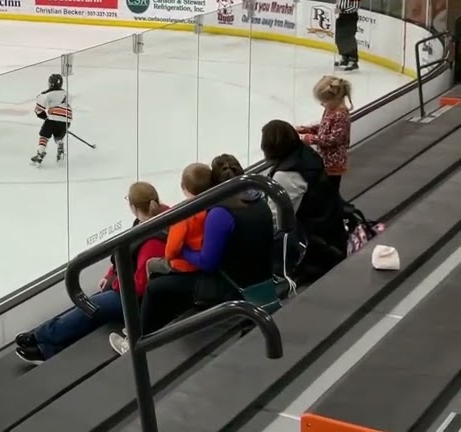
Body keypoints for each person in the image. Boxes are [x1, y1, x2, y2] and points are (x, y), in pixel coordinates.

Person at [111, 157, 275, 355]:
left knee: (156, 287)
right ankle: (146, 329)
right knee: (162, 275)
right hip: (260, 274)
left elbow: (208, 263)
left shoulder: (220, 214)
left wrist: (183, 251)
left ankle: (137, 344)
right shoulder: (259, 200)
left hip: (232, 285)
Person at [14, 182, 170, 364]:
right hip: (124, 290)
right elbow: (126, 253)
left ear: (133, 207)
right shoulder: (151, 219)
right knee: (88, 307)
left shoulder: (153, 241)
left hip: (134, 300)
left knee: (89, 308)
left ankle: (40, 335)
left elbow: (142, 284)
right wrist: (110, 273)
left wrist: (115, 282)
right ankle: (47, 349)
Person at [261, 119, 346, 283]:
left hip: (311, 242)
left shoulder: (286, 174)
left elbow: (276, 219)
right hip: (328, 227)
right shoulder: (307, 154)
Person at [147, 163, 213, 278]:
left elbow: (171, 251)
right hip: (209, 257)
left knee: (150, 264)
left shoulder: (183, 215)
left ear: (184, 187)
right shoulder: (216, 204)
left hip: (186, 265)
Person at [296, 76, 353, 195]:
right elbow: (324, 127)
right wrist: (307, 129)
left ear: (335, 99)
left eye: (325, 101)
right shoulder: (330, 110)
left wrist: (310, 139)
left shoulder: (340, 115)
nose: (322, 104)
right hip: (325, 160)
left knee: (330, 192)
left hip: (333, 164)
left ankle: (334, 211)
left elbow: (333, 139)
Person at [31, 74, 72, 166]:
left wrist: (44, 116)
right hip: (67, 119)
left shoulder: (47, 93)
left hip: (54, 118)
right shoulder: (66, 93)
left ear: (51, 83)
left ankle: (40, 153)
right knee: (58, 136)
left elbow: (39, 109)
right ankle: (60, 144)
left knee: (44, 136)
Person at [334, 0, 362, 71]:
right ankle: (345, 57)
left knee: (349, 38)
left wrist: (344, 11)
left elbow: (356, 6)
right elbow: (339, 1)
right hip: (341, 16)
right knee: (339, 37)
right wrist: (337, 8)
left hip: (350, 16)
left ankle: (353, 59)